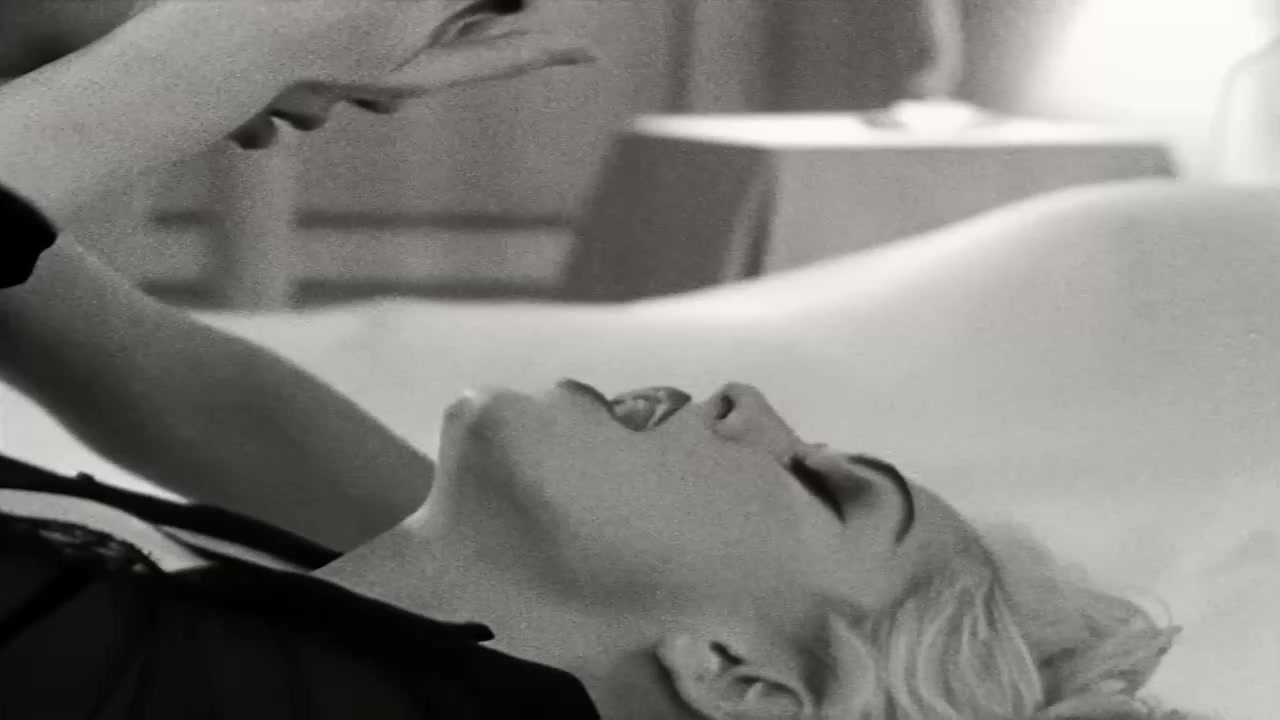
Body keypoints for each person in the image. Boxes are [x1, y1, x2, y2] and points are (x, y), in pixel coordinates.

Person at [0, 3, 1207, 719]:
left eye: (820, 484)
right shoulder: (450, 614)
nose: (747, 401)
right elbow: (205, 403)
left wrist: (218, 51)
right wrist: (97, 36)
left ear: (739, 681)